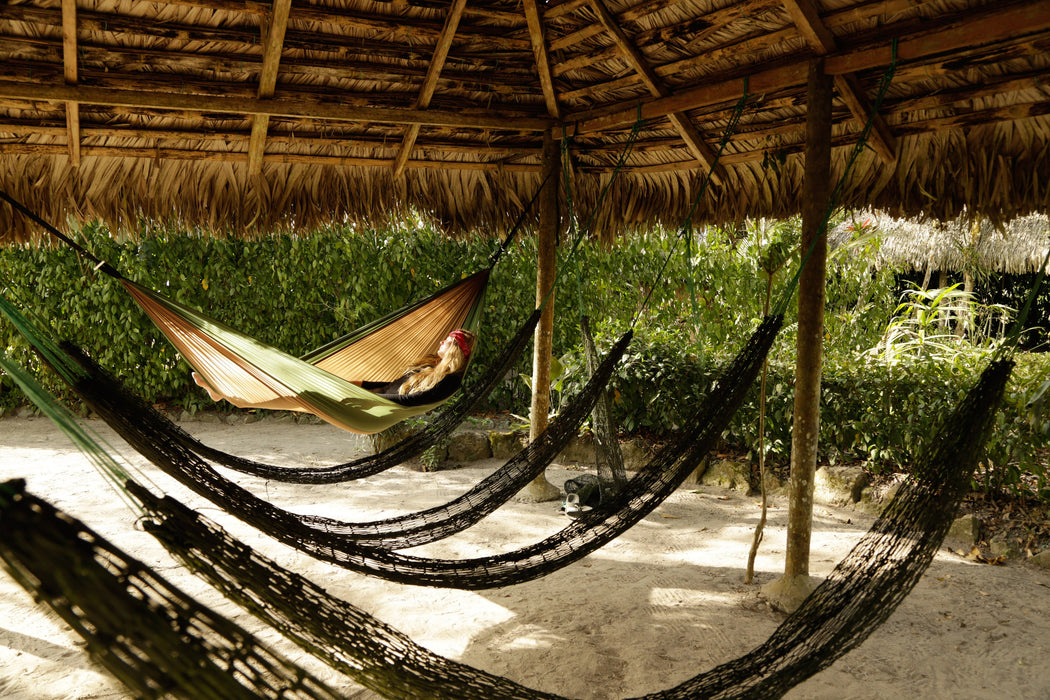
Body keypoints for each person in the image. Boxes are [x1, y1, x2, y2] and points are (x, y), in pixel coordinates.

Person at [356, 328, 476, 407]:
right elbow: (392, 386)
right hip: (377, 398)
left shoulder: (450, 379)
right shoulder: (430, 363)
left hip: (383, 405)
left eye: (446, 341)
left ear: (454, 349)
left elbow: (412, 400)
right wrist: (363, 384)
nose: (441, 342)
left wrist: (370, 399)